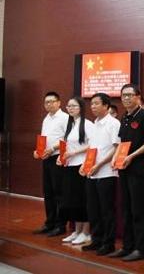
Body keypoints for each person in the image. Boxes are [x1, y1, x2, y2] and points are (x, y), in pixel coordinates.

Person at [108, 84, 144, 261]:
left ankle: (141, 249)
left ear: (138, 97)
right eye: (123, 95)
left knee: (138, 209)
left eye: (129, 95)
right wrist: (116, 158)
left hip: (137, 169)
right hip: (124, 168)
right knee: (126, 208)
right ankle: (127, 246)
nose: (126, 98)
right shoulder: (124, 117)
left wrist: (132, 156)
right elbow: (121, 143)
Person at [81, 93, 120, 255]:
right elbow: (92, 148)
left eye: (96, 104)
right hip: (92, 173)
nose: (93, 107)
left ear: (106, 106)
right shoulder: (94, 124)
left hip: (107, 172)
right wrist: (85, 164)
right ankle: (96, 240)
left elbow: (116, 148)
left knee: (106, 210)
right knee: (93, 209)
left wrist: (99, 164)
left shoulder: (113, 123)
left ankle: (108, 243)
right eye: (92, 104)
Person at [32, 91, 68, 237]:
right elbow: (43, 139)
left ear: (59, 103)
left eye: (52, 101)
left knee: (59, 192)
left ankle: (60, 225)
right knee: (48, 192)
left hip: (57, 158)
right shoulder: (46, 118)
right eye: (46, 102)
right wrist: (38, 151)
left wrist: (53, 148)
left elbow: (67, 139)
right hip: (46, 158)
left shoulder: (65, 118)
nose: (49, 104)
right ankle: (49, 222)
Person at [57, 96, 92, 245]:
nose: (70, 108)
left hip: (82, 166)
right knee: (73, 200)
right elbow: (66, 145)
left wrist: (75, 153)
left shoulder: (88, 124)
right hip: (70, 166)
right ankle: (77, 231)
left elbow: (92, 144)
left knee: (83, 199)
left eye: (73, 106)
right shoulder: (70, 125)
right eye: (68, 106)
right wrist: (61, 157)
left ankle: (86, 232)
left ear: (81, 108)